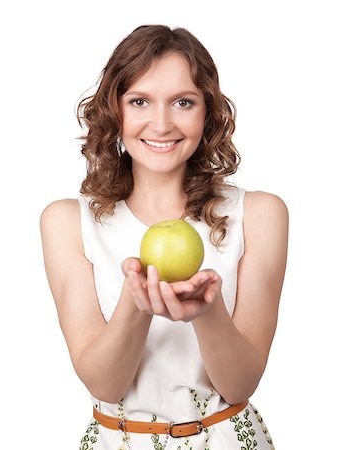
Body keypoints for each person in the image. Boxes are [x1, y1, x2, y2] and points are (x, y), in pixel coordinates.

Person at [40, 24, 288, 450]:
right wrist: (136, 305)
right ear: (114, 111)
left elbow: (241, 384)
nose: (161, 123)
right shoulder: (67, 221)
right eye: (139, 101)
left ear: (207, 112)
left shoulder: (260, 214)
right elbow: (106, 385)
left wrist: (207, 311)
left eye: (183, 102)